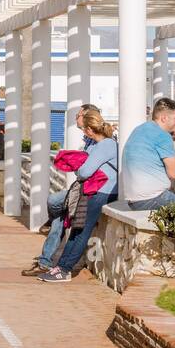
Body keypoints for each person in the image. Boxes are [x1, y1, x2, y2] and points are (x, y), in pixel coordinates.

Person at [39, 110, 118, 283]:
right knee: (77, 227)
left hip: (101, 192)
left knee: (80, 230)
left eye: (84, 130)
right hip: (99, 191)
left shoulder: (105, 145)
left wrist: (79, 168)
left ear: (90, 129)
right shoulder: (105, 144)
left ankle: (64, 269)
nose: (84, 133)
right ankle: (60, 266)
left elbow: (85, 171)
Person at [23, 104, 102, 276]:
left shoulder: (100, 142)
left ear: (88, 117)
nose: (76, 117)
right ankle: (45, 261)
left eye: (79, 114)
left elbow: (90, 168)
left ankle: (49, 224)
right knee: (60, 217)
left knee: (53, 201)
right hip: (81, 187)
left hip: (91, 189)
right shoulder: (86, 141)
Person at [121, 98, 175, 211]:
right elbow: (173, 174)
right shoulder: (162, 136)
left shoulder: (140, 129)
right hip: (151, 199)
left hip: (133, 200)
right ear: (164, 118)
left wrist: (174, 140)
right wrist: (173, 140)